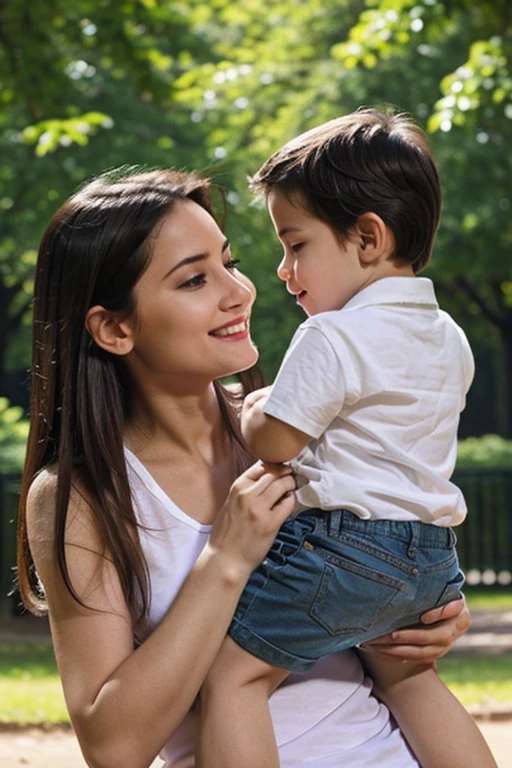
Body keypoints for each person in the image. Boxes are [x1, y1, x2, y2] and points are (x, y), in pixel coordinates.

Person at [17, 166, 472, 768]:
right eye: (195, 280)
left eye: (229, 263)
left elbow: (396, 642)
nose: (241, 290)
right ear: (115, 327)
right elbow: (113, 747)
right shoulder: (83, 495)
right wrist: (225, 560)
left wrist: (422, 621)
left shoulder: (307, 427)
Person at [197, 110, 497, 768]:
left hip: (347, 547)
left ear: (367, 238)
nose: (282, 269)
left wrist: (253, 408)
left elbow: (275, 442)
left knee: (231, 679)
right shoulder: (448, 336)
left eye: (295, 244)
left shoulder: (332, 335)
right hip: (430, 556)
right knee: (413, 677)